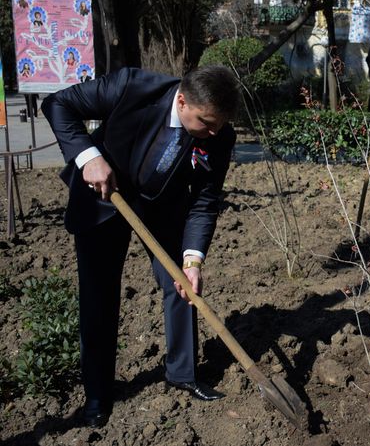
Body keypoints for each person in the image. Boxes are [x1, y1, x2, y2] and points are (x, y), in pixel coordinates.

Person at [42, 66, 240, 428]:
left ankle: (182, 373)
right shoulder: (132, 86)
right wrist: (89, 157)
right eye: (206, 123)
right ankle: (98, 394)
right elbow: (58, 104)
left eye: (220, 126)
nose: (213, 133)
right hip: (104, 195)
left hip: (163, 205)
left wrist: (192, 258)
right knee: (99, 296)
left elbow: (205, 201)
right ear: (182, 101)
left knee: (182, 286)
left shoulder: (220, 136)